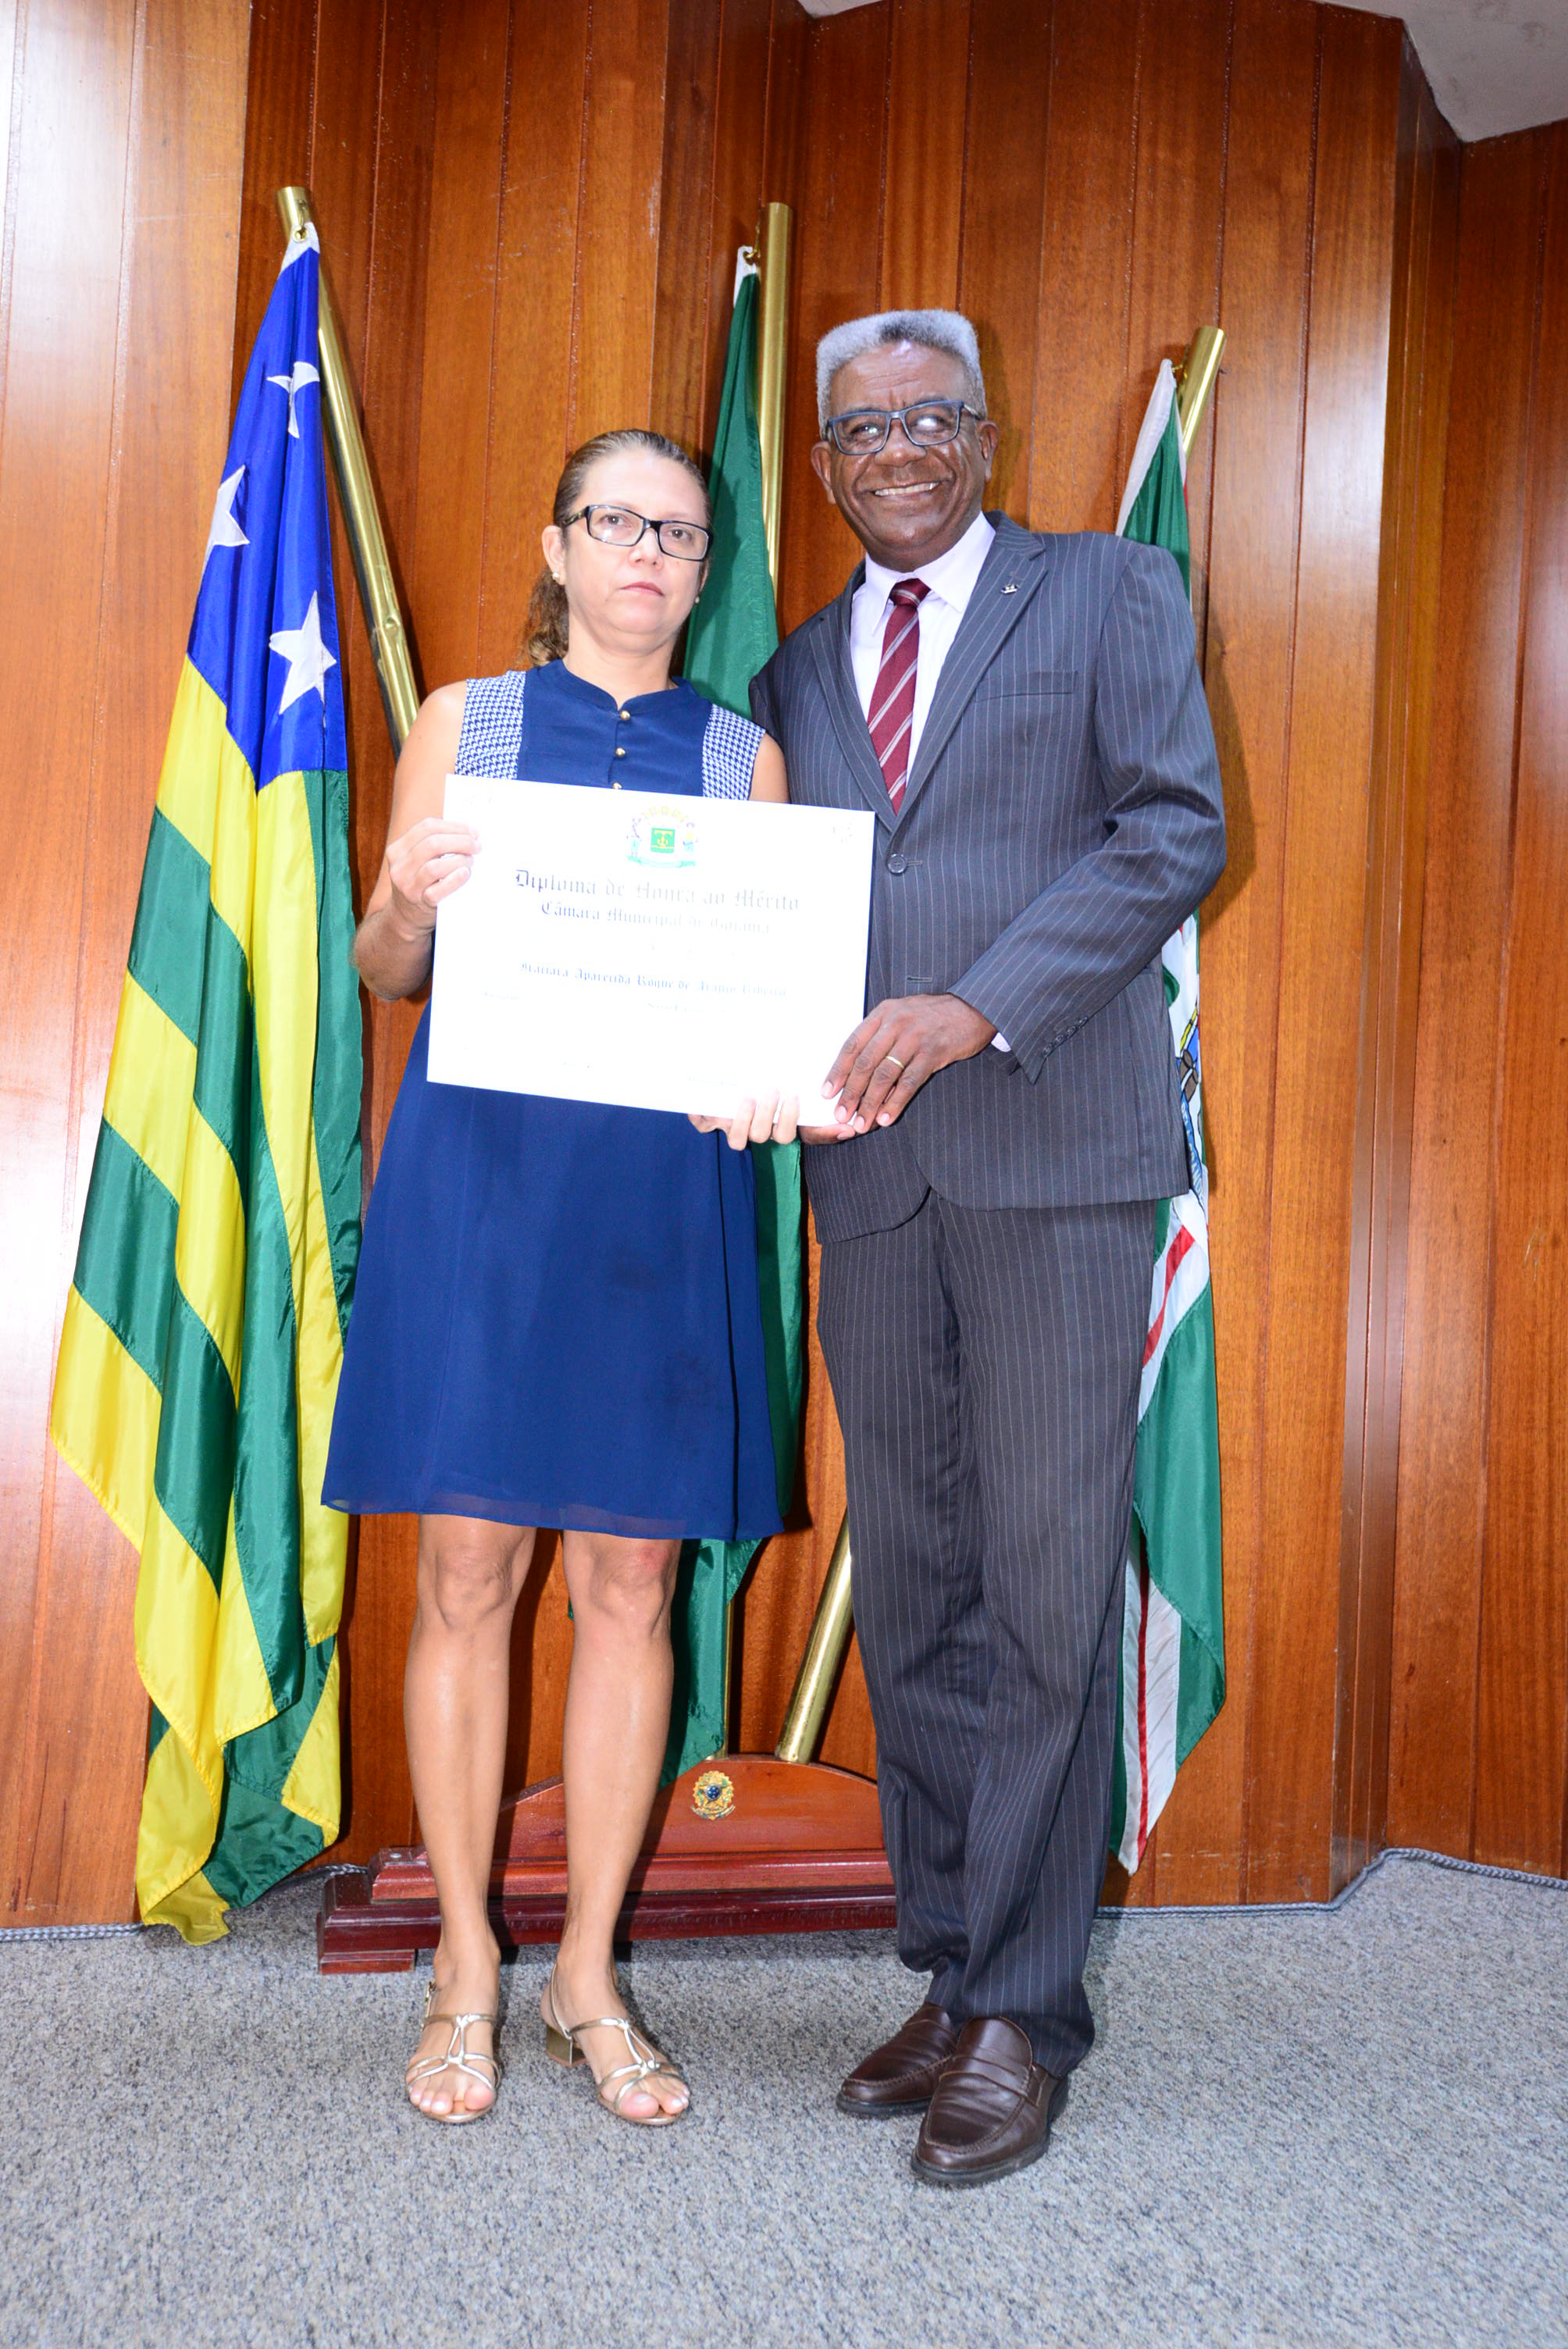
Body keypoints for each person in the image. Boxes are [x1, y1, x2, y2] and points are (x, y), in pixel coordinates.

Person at [750, 311, 1226, 2187]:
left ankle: (1027, 2009)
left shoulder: (1108, 591)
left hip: (1051, 1161)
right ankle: (952, 1968)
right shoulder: (792, 668)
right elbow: (774, 915)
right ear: (821, 463)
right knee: (922, 1588)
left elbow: (1171, 830)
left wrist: (974, 1005)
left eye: (931, 416)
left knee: (1041, 1589)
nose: (899, 448)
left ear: (982, 433)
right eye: (861, 428)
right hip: (871, 1185)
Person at [324, 428, 794, 2126]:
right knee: (466, 1571)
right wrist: (404, 892)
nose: (648, 553)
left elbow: (766, 998)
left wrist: (770, 1070)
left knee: (630, 1584)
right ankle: (465, 1960)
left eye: (680, 532)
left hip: (656, 1202)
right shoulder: (466, 723)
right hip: (486, 1190)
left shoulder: (743, 756)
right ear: (559, 544)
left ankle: (587, 1970)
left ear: (703, 565)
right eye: (618, 522)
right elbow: (388, 968)